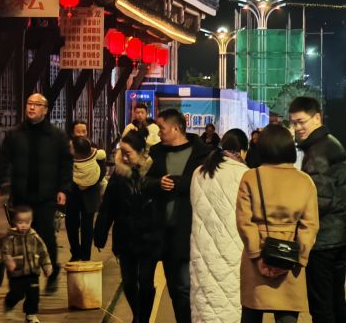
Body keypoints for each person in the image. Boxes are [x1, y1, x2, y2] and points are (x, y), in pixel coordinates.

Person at [0, 93, 72, 292]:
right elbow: (2, 160)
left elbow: (66, 165)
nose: (32, 107)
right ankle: (23, 278)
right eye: (29, 104)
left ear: (45, 109)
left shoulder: (56, 136)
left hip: (46, 196)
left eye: (37, 104)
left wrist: (63, 189)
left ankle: (52, 273)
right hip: (21, 195)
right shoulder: (15, 134)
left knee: (46, 235)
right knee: (20, 237)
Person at [236, 124, 319, 323]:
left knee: (251, 314)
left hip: (258, 257)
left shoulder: (251, 177)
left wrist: (257, 256)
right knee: (287, 317)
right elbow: (310, 225)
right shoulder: (305, 181)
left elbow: (244, 221)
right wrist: (298, 258)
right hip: (289, 256)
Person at [288, 96, 346, 323]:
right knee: (336, 300)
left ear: (317, 118)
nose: (297, 128)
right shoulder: (329, 143)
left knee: (322, 306)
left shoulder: (317, 152)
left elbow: (319, 200)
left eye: (301, 122)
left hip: (324, 239)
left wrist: (295, 219)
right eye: (294, 123)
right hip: (339, 234)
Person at [144, 108, 210, 323]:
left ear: (176, 128)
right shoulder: (155, 152)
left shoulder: (202, 154)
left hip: (189, 230)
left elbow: (207, 186)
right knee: (174, 288)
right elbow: (143, 182)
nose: (159, 132)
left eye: (162, 128)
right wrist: (157, 184)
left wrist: (179, 183)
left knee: (184, 287)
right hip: (162, 231)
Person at [94, 131, 164, 323]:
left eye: (128, 153)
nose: (124, 157)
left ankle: (143, 319)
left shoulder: (155, 171)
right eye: (122, 152)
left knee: (145, 281)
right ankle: (137, 315)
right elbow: (107, 207)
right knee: (129, 282)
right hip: (125, 238)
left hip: (150, 237)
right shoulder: (118, 175)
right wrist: (100, 233)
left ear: (141, 152)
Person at [190, 128, 249, 323]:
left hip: (202, 252)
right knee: (230, 305)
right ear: (242, 151)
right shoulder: (244, 174)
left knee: (205, 306)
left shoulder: (199, 172)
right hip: (234, 252)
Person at [0, 205, 53, 323]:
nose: (23, 225)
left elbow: (43, 252)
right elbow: (4, 252)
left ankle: (30, 315)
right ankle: (9, 304)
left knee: (33, 295)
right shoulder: (11, 238)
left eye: (26, 222)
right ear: (14, 222)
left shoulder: (35, 237)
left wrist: (46, 265)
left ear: (31, 221)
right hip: (17, 273)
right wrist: (9, 261)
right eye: (20, 222)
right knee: (17, 293)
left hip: (33, 272)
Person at [66, 135, 106, 262]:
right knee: (71, 224)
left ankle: (85, 256)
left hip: (90, 195)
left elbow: (102, 171)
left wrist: (89, 182)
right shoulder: (68, 157)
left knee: (87, 226)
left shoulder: (95, 153)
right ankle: (75, 252)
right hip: (73, 194)